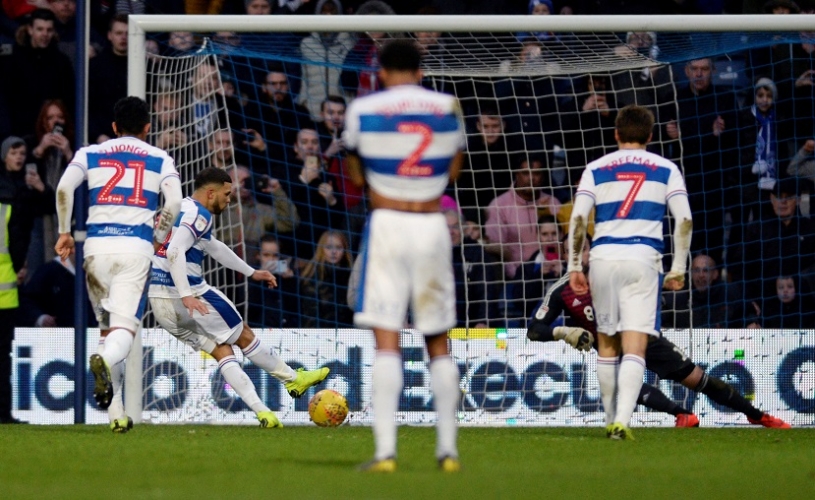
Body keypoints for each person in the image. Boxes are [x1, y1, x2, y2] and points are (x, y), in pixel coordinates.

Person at [343, 39, 465, 472]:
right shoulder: (448, 107)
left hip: (389, 223)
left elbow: (355, 175)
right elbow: (454, 168)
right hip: (432, 222)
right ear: (420, 71)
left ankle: (386, 453)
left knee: (387, 337)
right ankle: (447, 452)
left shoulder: (363, 109)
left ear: (380, 71)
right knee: (438, 340)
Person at [527, 238, 791, 429]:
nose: (578, 255)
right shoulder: (560, 291)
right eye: (571, 251)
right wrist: (563, 331)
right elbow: (534, 330)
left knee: (697, 379)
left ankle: (757, 415)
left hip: (642, 335)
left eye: (582, 248)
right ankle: (682, 415)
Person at [149, 167, 330, 428]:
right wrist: (187, 296)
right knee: (243, 335)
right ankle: (293, 380)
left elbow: (214, 247)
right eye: (226, 194)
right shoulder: (200, 214)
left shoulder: (179, 211)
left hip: (160, 302)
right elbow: (174, 251)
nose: (229, 199)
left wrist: (251, 272)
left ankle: (263, 413)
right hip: (190, 295)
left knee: (222, 350)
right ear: (211, 193)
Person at [54, 96, 184, 433]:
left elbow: (64, 188)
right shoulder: (159, 157)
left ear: (114, 127)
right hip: (134, 251)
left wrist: (65, 232)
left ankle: (116, 414)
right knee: (124, 331)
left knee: (107, 330)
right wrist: (159, 235)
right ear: (147, 127)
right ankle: (104, 361)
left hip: (96, 250)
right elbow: (174, 201)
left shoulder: (89, 153)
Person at [566, 104, 693, 440]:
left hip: (603, 258)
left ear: (616, 134)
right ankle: (623, 421)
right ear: (650, 136)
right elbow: (684, 219)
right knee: (635, 345)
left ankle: (609, 420)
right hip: (642, 258)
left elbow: (578, 218)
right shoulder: (666, 169)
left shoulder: (596, 168)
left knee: (607, 344)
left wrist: (574, 265)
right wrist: (678, 268)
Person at [299, 230, 354, 328]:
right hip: (321, 332)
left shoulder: (351, 276)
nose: (334, 252)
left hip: (348, 331)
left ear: (344, 250)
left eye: (338, 247)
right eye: (329, 247)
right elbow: (311, 316)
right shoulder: (312, 277)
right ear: (321, 249)